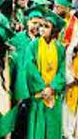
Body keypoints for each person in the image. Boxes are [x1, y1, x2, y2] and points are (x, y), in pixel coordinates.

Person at [24, 10, 66, 139]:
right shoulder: (33, 45)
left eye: (46, 26)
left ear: (54, 30)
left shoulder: (59, 48)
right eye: (41, 25)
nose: (41, 29)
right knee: (38, 129)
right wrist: (42, 88)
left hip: (53, 95)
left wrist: (52, 88)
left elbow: (63, 70)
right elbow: (29, 68)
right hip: (39, 95)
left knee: (53, 128)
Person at [64, 34, 78, 139]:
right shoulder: (72, 49)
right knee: (69, 113)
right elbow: (66, 66)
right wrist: (72, 79)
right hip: (72, 86)